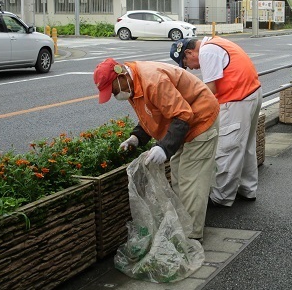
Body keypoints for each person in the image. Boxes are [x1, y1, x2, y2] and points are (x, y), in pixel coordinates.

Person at [93, 58, 219, 241]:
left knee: (191, 180)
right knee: (178, 176)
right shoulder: (132, 84)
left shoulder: (153, 81)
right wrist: (136, 137)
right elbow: (152, 112)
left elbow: (183, 115)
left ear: (121, 74)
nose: (115, 94)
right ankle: (184, 226)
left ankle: (192, 237)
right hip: (183, 124)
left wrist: (164, 148)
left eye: (113, 89)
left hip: (201, 119)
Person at [170, 37, 263, 207]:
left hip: (236, 99)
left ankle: (221, 197)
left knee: (228, 148)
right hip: (251, 93)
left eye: (186, 62)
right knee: (246, 146)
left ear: (189, 52)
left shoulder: (207, 51)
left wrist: (192, 113)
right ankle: (247, 189)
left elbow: (209, 90)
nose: (190, 67)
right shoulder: (217, 43)